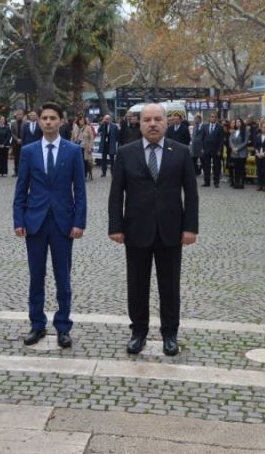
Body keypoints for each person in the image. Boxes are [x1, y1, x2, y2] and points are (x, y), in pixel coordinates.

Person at [108, 103, 198, 356]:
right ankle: (138, 332)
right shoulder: (126, 153)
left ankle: (170, 334)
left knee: (169, 286)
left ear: (167, 122)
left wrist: (190, 227)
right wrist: (115, 226)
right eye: (147, 119)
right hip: (136, 230)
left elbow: (191, 193)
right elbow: (116, 194)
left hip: (171, 230)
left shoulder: (180, 152)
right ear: (140, 123)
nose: (153, 124)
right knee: (137, 285)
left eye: (158, 119)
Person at [13, 102, 86, 349]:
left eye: (53, 118)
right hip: (35, 222)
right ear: (40, 121)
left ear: (61, 121)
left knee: (63, 278)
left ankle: (63, 326)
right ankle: (37, 324)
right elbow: (21, 188)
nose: (48, 122)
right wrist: (19, 219)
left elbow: (81, 191)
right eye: (44, 118)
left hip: (63, 224)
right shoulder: (29, 151)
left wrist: (79, 222)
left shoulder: (73, 151)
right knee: (36, 277)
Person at [201, 113, 224, 187]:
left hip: (216, 150)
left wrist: (220, 150)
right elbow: (202, 138)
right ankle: (206, 182)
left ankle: (216, 182)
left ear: (217, 118)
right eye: (212, 117)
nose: (213, 118)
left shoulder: (220, 127)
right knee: (206, 166)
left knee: (216, 166)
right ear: (209, 118)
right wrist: (202, 148)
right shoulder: (205, 126)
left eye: (214, 117)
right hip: (206, 150)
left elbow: (221, 140)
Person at [72, 116, 95, 181]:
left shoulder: (88, 128)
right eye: (80, 120)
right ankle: (77, 176)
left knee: (84, 162)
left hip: (85, 148)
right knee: (77, 162)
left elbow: (91, 138)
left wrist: (90, 147)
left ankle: (84, 176)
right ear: (78, 121)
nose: (81, 121)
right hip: (76, 147)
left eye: (82, 120)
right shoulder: (75, 127)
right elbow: (72, 137)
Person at [253, 119, 265, 191]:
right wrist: (258, 153)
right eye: (263, 127)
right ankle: (259, 184)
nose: (264, 128)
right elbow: (255, 145)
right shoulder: (257, 135)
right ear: (260, 128)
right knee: (259, 170)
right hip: (258, 155)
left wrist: (264, 153)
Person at [229, 118, 249, 189]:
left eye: (239, 122)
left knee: (241, 168)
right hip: (234, 153)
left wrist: (238, 148)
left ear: (241, 123)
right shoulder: (234, 132)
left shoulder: (245, 131)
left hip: (242, 153)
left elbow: (245, 142)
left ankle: (241, 183)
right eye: (236, 122)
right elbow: (230, 140)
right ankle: (236, 182)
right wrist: (233, 148)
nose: (237, 123)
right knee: (236, 168)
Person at [9, 110, 25, 177]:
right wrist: (17, 139)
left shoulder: (26, 123)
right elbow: (12, 133)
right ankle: (16, 171)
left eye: (20, 114)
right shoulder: (13, 123)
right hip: (15, 143)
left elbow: (26, 133)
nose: (19, 116)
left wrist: (21, 139)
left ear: (23, 115)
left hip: (23, 143)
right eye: (18, 114)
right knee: (16, 158)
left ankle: (23, 172)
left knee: (23, 158)